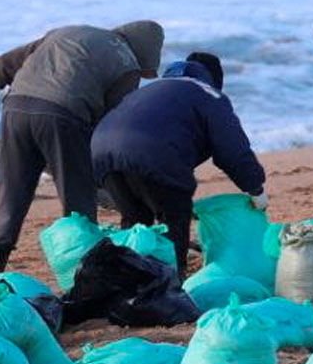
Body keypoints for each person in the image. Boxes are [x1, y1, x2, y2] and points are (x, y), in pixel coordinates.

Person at [0, 20, 165, 277]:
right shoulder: (127, 65)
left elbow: (0, 66)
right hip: (65, 118)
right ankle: (82, 282)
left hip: (16, 109)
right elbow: (109, 130)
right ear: (143, 53)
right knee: (78, 209)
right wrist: (102, 183)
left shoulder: (65, 34)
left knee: (11, 201)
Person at [90, 52, 268, 275]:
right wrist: (255, 188)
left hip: (101, 150)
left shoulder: (151, 89)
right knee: (174, 221)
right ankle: (174, 285)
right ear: (214, 79)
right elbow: (232, 149)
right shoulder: (208, 94)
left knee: (137, 224)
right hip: (152, 153)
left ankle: (133, 282)